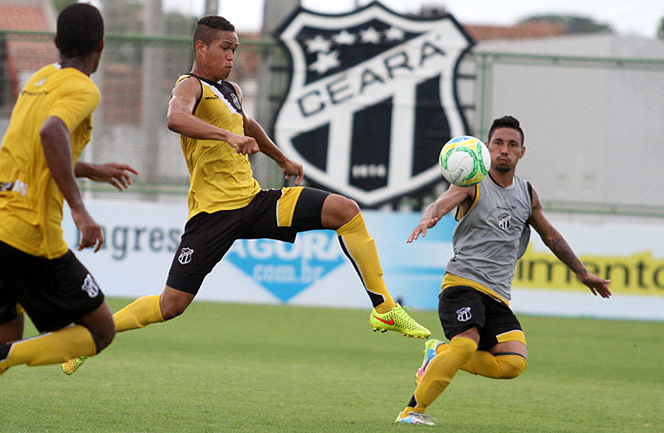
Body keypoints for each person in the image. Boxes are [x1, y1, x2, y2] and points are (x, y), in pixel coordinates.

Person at [60, 14, 429, 376]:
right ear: (201, 47)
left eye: (235, 49)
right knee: (171, 305)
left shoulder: (232, 91)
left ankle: (383, 307)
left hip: (255, 203)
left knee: (345, 210)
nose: (232, 57)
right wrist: (226, 136)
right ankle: (88, 337)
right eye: (225, 48)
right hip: (213, 215)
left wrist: (281, 156)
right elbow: (175, 118)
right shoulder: (190, 86)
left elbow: (248, 125)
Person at [0, 4, 138, 431]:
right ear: (100, 46)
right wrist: (80, 210)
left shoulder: (38, 80)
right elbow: (51, 134)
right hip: (28, 235)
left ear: (56, 43)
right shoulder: (83, 88)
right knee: (101, 330)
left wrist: (88, 167)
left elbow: (37, 146)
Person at [395, 115, 612, 426]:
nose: (504, 150)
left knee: (513, 363)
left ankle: (439, 353)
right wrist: (429, 217)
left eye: (512, 145)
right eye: (498, 143)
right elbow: (442, 202)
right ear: (486, 148)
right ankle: (412, 411)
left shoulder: (527, 193)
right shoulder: (471, 182)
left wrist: (581, 272)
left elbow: (550, 235)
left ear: (522, 152)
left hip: (497, 295)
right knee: (467, 342)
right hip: (462, 284)